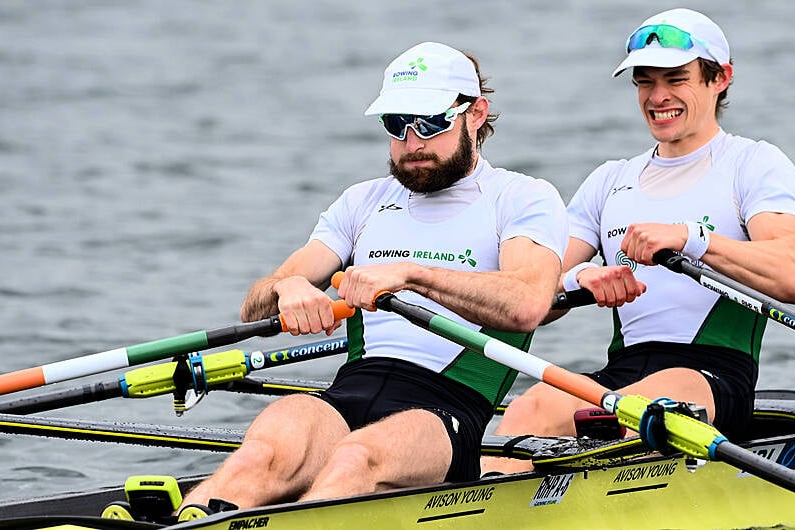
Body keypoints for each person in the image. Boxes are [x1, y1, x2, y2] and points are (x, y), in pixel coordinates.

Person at [180, 41, 568, 510]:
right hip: (348, 392)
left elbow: (527, 303)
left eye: (430, 122)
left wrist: (411, 276)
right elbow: (255, 303)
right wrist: (290, 287)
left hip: (444, 412)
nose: (412, 142)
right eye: (396, 124)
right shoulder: (361, 202)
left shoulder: (521, 198)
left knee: (355, 459)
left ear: (477, 113)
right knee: (261, 454)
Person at [481, 8, 795, 475]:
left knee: (644, 408)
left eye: (675, 79)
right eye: (644, 82)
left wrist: (692, 239)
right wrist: (581, 278)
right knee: (527, 413)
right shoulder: (610, 181)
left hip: (711, 376)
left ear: (720, 78)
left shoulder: (754, 164)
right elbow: (531, 293)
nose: (658, 97)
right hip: (622, 373)